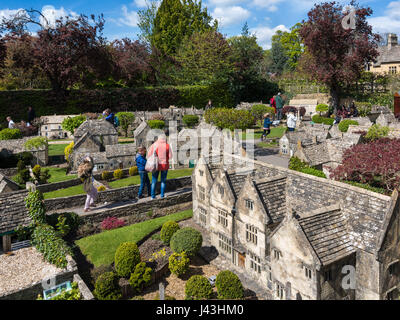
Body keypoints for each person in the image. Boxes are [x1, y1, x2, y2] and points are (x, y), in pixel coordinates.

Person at [147, 135, 172, 200]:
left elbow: (149, 154)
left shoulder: (154, 145)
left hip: (155, 165)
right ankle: (162, 195)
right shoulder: (167, 145)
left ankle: (152, 196)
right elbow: (170, 156)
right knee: (163, 181)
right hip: (164, 165)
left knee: (154, 181)